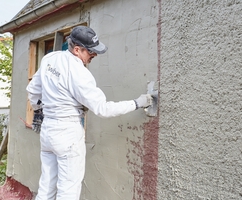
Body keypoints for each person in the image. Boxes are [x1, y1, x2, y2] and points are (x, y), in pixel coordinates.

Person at [26, 25, 152, 200]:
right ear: (77, 49)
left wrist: (40, 111)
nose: (95, 55)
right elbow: (103, 109)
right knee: (68, 192)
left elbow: (33, 90)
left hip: (48, 132)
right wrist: (137, 103)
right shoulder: (80, 74)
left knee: (46, 187)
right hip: (67, 133)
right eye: (91, 51)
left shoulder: (50, 59)